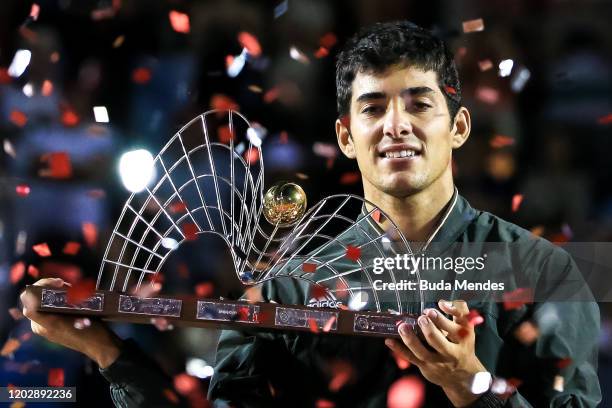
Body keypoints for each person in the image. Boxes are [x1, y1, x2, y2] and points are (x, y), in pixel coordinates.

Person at [20, 21, 601, 407]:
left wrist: (470, 384)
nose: (395, 125)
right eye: (373, 108)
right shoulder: (285, 288)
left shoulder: (541, 272)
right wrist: (107, 353)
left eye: (419, 104)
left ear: (459, 126)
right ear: (347, 137)